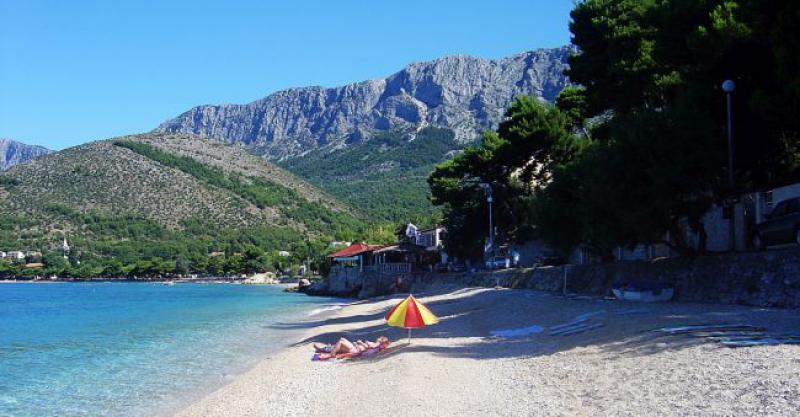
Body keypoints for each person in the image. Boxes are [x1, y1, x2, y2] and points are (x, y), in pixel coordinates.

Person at [312, 336, 390, 360]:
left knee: (342, 340)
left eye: (380, 338)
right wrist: (359, 344)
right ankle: (323, 349)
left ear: (381, 340)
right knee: (339, 346)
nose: (378, 338)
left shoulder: (375, 344)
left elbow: (366, 348)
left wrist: (360, 343)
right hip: (355, 348)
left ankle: (332, 353)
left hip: (355, 350)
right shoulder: (375, 344)